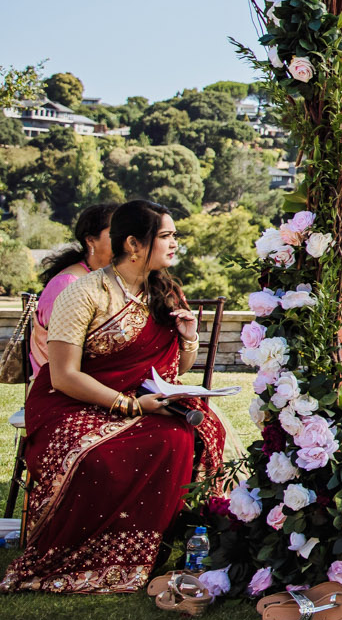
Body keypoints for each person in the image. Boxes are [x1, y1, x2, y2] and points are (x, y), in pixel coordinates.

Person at [1, 198, 226, 594]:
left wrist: (188, 338)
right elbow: (63, 375)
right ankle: (112, 555)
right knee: (152, 442)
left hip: (144, 402)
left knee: (207, 429)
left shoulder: (165, 290)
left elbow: (176, 370)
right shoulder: (84, 293)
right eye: (167, 236)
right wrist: (128, 405)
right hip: (74, 403)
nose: (176, 243)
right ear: (134, 244)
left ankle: (186, 544)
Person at [29, 203, 116, 378]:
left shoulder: (111, 279)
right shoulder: (67, 284)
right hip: (63, 389)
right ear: (91, 240)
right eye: (115, 233)